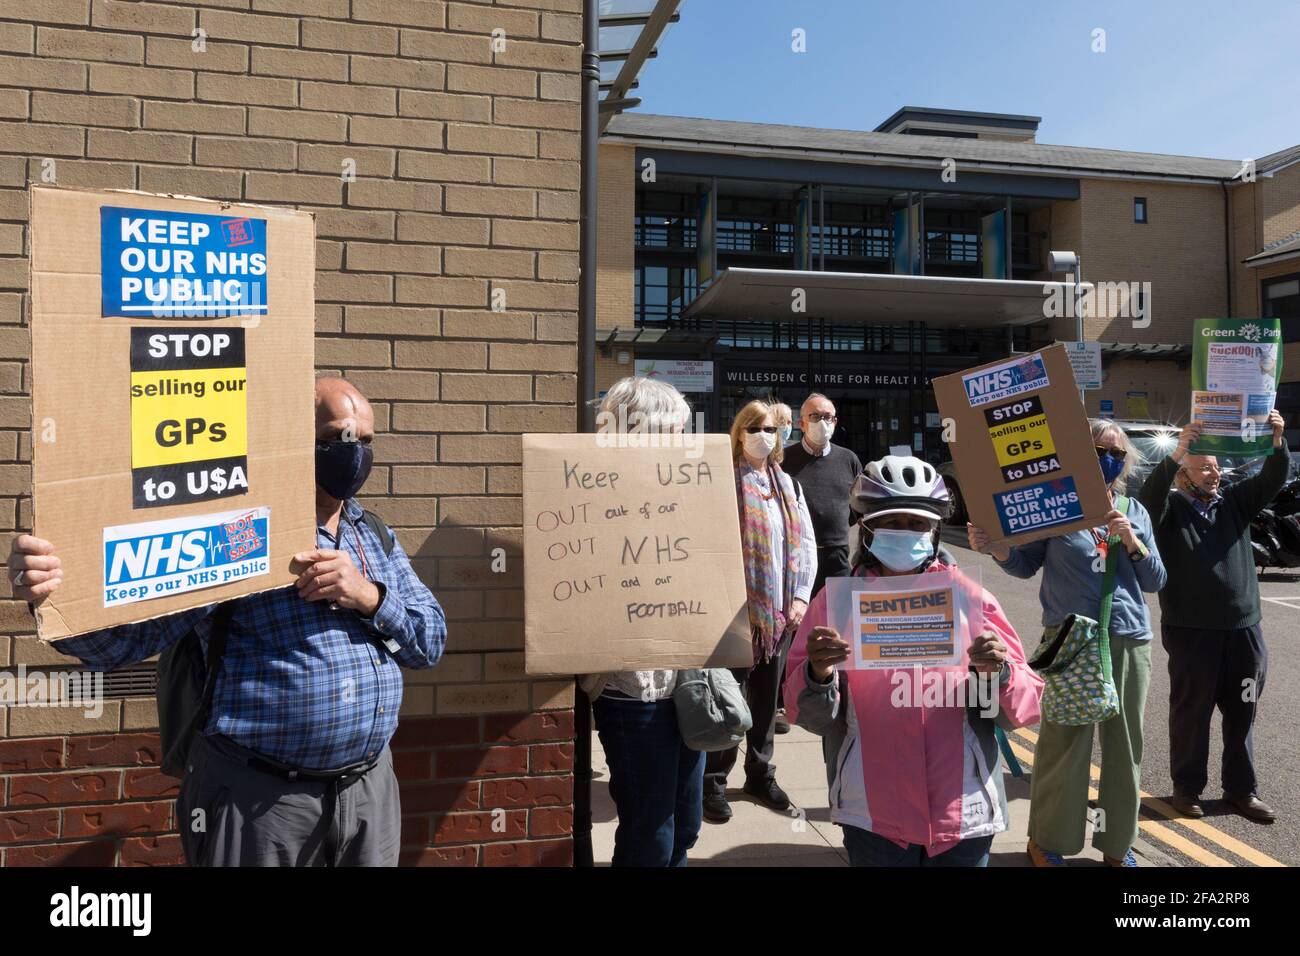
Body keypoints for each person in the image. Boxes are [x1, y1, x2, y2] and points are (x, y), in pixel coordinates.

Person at [8, 376, 447, 867]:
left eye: (366, 441)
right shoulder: (237, 533)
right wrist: (54, 596)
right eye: (342, 437)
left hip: (369, 793)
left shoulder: (372, 535)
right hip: (263, 802)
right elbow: (124, 641)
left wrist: (368, 596)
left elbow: (429, 641)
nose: (356, 453)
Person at [785, 455, 1043, 866]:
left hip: (964, 812)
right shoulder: (836, 605)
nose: (903, 533)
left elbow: (1023, 710)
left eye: (916, 523)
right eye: (890, 523)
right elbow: (806, 714)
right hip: (873, 814)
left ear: (936, 530)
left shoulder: (970, 598)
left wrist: (1001, 673)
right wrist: (817, 673)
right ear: (866, 529)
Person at [971, 419, 1167, 867]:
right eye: (1098, 449)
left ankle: (1117, 845)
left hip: (1128, 640)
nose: (1108, 458)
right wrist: (997, 548)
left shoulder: (1134, 510)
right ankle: (1046, 840)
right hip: (1071, 642)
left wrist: (1132, 540)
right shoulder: (1057, 508)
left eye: (1117, 453)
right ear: (1080, 453)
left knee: (1124, 749)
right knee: (1065, 745)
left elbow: (1155, 580)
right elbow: (1023, 564)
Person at [1136, 412, 1288, 823]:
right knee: (1192, 714)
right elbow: (1145, 503)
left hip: (1244, 632)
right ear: (1182, 474)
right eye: (1203, 467)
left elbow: (1272, 480)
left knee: (1242, 711)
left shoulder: (1235, 502)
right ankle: (1186, 790)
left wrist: (1277, 440)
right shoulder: (1167, 510)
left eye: (1216, 467)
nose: (1213, 474)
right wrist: (1175, 453)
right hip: (1191, 633)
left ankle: (1242, 790)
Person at [582, 376, 704, 866]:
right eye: (673, 431)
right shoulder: (590, 495)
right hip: (631, 692)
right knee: (650, 829)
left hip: (687, 684)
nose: (682, 441)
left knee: (687, 821)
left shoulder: (688, 493)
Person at [703, 400, 816, 823]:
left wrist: (801, 596)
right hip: (735, 614)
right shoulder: (721, 481)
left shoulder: (786, 483)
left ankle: (760, 774)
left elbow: (803, 544)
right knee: (729, 700)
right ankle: (713, 780)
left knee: (767, 702)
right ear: (740, 431)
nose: (765, 435)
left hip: (779, 616)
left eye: (771, 428)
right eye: (756, 427)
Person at [782, 394, 863, 597]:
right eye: (815, 416)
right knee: (798, 621)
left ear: (835, 422)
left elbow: (859, 506)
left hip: (837, 556)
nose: (823, 422)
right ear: (802, 423)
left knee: (838, 619)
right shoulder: (784, 460)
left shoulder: (849, 459)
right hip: (796, 556)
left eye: (828, 417)